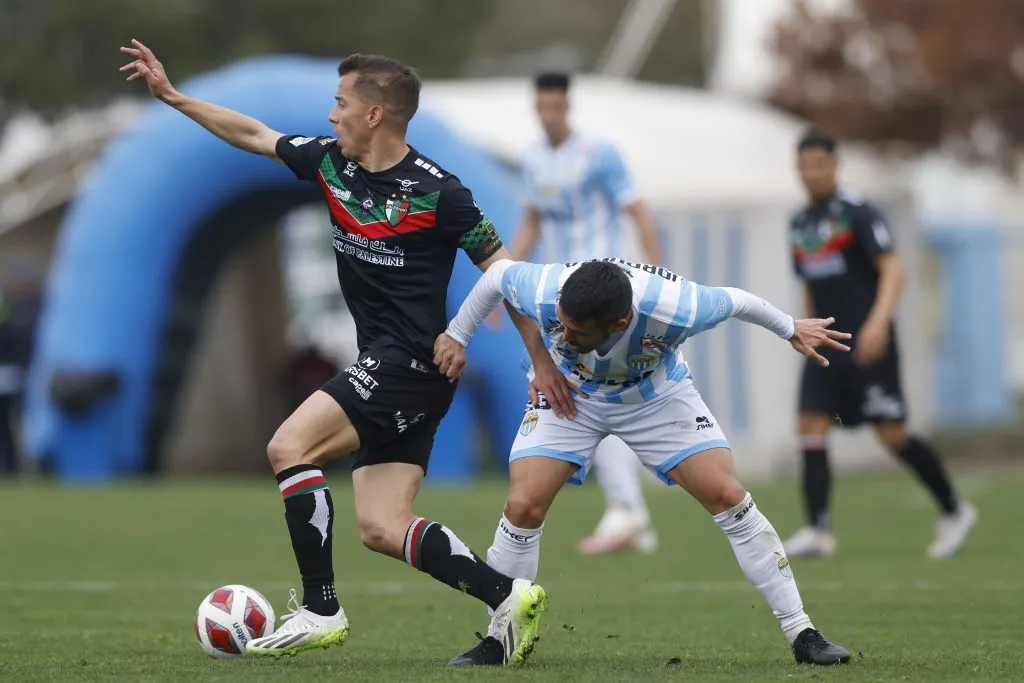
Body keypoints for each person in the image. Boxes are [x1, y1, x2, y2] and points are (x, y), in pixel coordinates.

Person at [119, 40, 569, 666]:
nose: (331, 116)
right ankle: (507, 596)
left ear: (376, 114)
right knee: (382, 527)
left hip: (409, 364)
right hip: (400, 371)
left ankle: (319, 608)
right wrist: (173, 97)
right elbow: (252, 132)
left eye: (341, 103)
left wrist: (536, 359)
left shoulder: (440, 192)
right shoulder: (331, 163)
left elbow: (505, 273)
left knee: (287, 447)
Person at [434, 257, 853, 667]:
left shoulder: (677, 305)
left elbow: (737, 299)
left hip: (654, 397)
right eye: (559, 322)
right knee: (523, 504)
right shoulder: (545, 289)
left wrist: (790, 328)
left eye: (575, 331)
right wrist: (459, 336)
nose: (562, 333)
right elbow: (497, 276)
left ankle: (802, 632)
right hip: (570, 393)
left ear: (619, 323)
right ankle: (499, 637)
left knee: (728, 494)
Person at [784, 130, 977, 560]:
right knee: (809, 425)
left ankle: (955, 509)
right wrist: (803, 328)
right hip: (825, 344)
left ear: (834, 165)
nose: (811, 173)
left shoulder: (858, 213)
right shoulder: (799, 223)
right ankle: (818, 530)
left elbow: (893, 270)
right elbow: (810, 285)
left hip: (869, 342)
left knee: (892, 434)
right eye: (804, 166)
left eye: (819, 164)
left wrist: (878, 323)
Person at [506, 71, 665, 555]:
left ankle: (628, 508)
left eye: (556, 107)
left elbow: (637, 209)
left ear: (567, 106)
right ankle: (629, 510)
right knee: (592, 392)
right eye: (542, 109)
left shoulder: (600, 153)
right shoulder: (533, 158)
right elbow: (532, 219)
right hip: (562, 292)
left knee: (596, 392)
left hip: (604, 289)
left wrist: (656, 275)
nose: (549, 115)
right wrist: (509, 279)